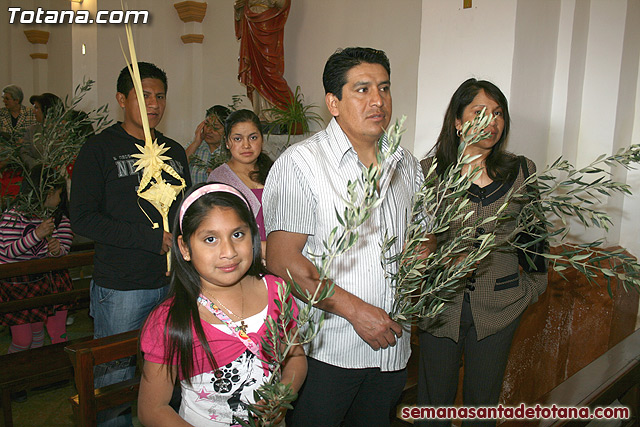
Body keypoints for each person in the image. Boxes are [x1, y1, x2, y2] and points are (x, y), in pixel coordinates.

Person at [263, 47, 430, 427]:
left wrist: (422, 262)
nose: (378, 101)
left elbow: (423, 235)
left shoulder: (406, 164)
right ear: (333, 102)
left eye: (384, 89)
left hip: (392, 346)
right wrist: (357, 312)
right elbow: (283, 260)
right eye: (363, 89)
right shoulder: (301, 164)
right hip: (327, 351)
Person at [415, 79, 548, 426]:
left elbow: (534, 240)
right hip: (440, 308)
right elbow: (415, 243)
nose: (492, 121)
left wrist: (532, 289)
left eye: (498, 113)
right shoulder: (428, 175)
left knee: (482, 409)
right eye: (479, 111)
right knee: (433, 409)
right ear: (458, 122)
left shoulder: (520, 171)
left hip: (500, 309)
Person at [70, 61, 191, 426]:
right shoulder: (99, 149)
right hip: (121, 285)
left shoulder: (174, 150)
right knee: (113, 381)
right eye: (143, 96)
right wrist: (148, 238)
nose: (153, 104)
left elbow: (182, 210)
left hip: (172, 283)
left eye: (160, 96)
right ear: (122, 99)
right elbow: (83, 219)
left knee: (170, 376)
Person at [137, 182, 306, 426]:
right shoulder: (171, 318)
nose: (228, 251)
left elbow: (295, 358)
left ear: (253, 236)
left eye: (238, 235)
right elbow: (153, 409)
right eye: (210, 239)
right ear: (185, 248)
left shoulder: (277, 292)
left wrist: (279, 398)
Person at [0, 168, 73, 401]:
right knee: (23, 340)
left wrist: (56, 250)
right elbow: (7, 252)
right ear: (46, 191)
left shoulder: (58, 217)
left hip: (40, 281)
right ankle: (10, 380)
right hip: (16, 284)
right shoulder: (14, 216)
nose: (60, 200)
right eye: (58, 194)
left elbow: (63, 247)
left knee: (37, 333)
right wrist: (37, 235)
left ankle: (35, 376)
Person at [208, 109, 272, 257]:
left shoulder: (275, 172)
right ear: (227, 142)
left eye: (253, 137)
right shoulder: (219, 178)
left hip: (279, 255)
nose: (246, 145)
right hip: (240, 257)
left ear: (261, 139)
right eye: (238, 139)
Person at [234, 0, 293, 120]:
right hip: (250, 23)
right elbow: (241, 6)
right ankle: (259, 112)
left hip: (267, 21)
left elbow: (282, 4)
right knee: (254, 68)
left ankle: (278, 111)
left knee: (268, 67)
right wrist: (238, 8)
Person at [186, 105, 231, 184]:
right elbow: (179, 166)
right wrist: (196, 143)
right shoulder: (195, 146)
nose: (209, 130)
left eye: (215, 127)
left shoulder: (230, 151)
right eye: (207, 125)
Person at [20, 92, 64, 170]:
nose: (33, 111)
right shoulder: (31, 131)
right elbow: (24, 153)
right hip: (36, 174)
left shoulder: (63, 131)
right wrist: (37, 166)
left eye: (36, 108)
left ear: (47, 110)